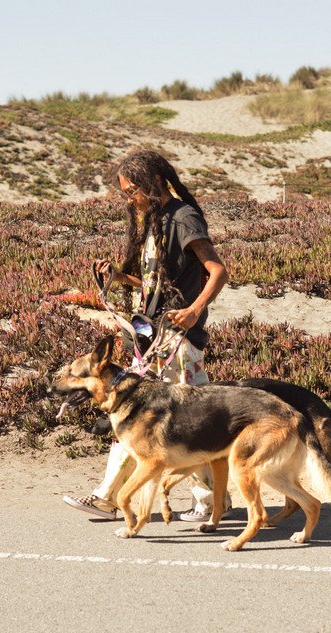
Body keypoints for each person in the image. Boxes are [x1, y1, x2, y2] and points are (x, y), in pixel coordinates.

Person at [63, 149, 230, 522]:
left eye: (132, 191)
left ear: (154, 182)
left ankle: (210, 501)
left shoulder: (183, 218)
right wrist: (119, 278)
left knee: (193, 420)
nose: (129, 199)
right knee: (132, 415)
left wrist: (193, 310)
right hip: (151, 339)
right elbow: (156, 284)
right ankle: (108, 496)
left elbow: (218, 271)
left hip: (179, 340)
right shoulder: (154, 220)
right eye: (125, 193)